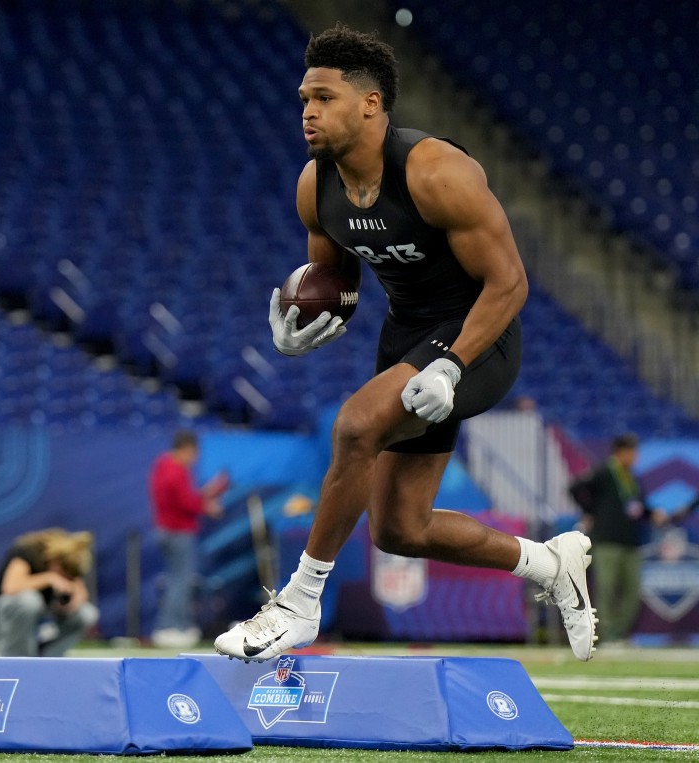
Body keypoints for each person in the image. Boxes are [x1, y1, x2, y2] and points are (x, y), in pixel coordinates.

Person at [215, 25, 597, 662]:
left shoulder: (436, 171)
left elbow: (509, 282)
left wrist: (450, 365)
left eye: (324, 97)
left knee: (357, 424)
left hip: (481, 333)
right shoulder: (316, 186)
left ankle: (299, 603)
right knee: (399, 529)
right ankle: (548, 563)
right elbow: (336, 280)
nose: (308, 111)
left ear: (370, 104)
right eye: (303, 99)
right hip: (407, 335)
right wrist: (302, 322)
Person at [569, 433, 667, 644]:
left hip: (631, 541)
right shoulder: (604, 472)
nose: (635, 457)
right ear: (621, 452)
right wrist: (592, 511)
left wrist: (652, 514)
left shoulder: (631, 477)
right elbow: (576, 488)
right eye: (632, 452)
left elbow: (636, 507)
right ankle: (607, 635)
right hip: (607, 541)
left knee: (632, 590)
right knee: (607, 588)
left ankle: (620, 633)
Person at [148, 430, 228, 648]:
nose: (194, 459)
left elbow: (183, 499)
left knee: (176, 579)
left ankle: (173, 626)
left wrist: (207, 494)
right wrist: (208, 506)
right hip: (178, 531)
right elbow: (186, 503)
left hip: (165, 529)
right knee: (180, 581)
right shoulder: (177, 470)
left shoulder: (162, 465)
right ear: (186, 449)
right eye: (194, 454)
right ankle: (173, 626)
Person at [0, 528, 99, 657]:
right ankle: (17, 659)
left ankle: (50, 658)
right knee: (29, 600)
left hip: (43, 622)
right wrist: (48, 578)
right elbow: (10, 587)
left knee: (87, 613)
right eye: (63, 575)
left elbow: (81, 596)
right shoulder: (28, 552)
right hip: (3, 620)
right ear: (56, 561)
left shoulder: (69, 566)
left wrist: (68, 604)